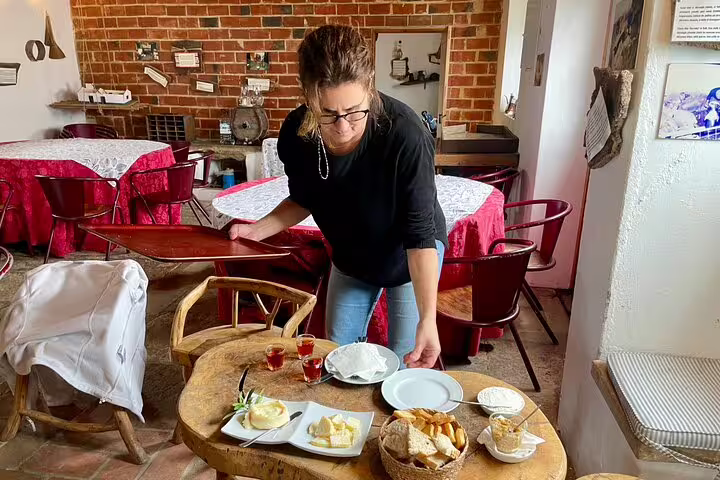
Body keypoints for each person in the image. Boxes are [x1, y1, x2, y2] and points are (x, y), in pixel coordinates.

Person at [229, 25, 448, 368]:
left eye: (355, 111)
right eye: (328, 114)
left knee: (407, 361)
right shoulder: (297, 133)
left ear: (370, 87)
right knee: (337, 357)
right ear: (307, 97)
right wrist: (256, 230)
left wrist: (429, 319)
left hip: (407, 255)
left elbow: (420, 236)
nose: (343, 126)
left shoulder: (405, 133)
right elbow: (303, 198)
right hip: (351, 254)